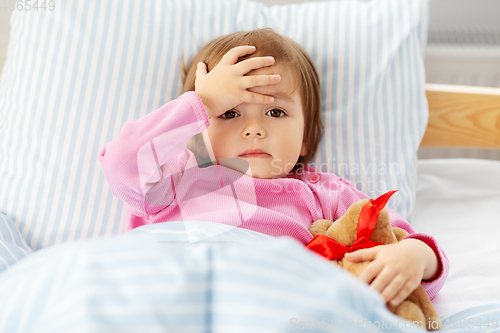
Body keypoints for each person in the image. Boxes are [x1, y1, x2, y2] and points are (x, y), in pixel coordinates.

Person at [98, 28, 448, 308]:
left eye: (276, 112)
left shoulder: (325, 194)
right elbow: (121, 161)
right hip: (173, 301)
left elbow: (398, 236)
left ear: (306, 139)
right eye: (229, 112)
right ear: (196, 129)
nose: (254, 129)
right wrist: (202, 102)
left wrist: (416, 257)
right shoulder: (174, 179)